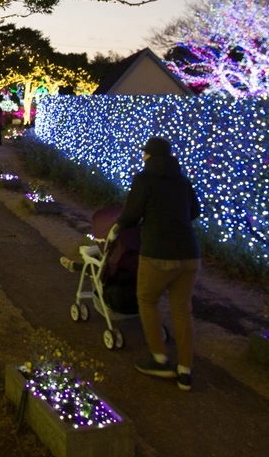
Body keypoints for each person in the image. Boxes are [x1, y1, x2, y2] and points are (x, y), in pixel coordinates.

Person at [113, 136, 201, 392]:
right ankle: (185, 371)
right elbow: (195, 211)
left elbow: (131, 215)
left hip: (157, 252)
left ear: (149, 155)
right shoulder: (182, 179)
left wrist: (121, 225)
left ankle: (159, 358)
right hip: (189, 254)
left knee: (147, 300)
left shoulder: (144, 179)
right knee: (182, 310)